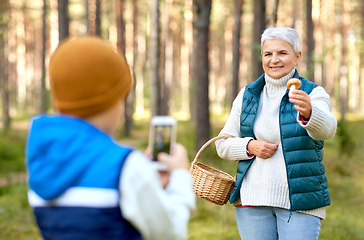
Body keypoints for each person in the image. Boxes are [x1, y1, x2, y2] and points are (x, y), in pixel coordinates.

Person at [25, 36, 195, 240]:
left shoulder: (42, 162)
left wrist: (149, 182)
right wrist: (180, 176)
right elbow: (171, 232)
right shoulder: (126, 166)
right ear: (113, 100)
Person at [215, 27, 337, 240]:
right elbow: (222, 144)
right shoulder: (248, 95)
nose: (274, 60)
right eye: (268, 54)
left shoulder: (312, 93)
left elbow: (327, 130)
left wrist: (310, 112)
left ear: (297, 57)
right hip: (252, 201)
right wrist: (249, 146)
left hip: (299, 203)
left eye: (282, 53)